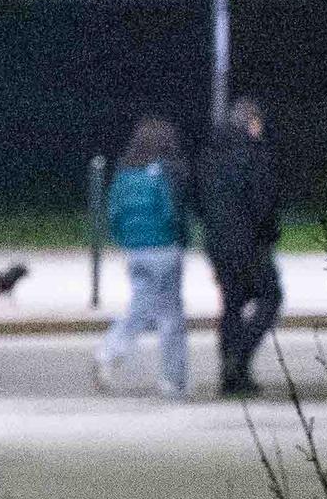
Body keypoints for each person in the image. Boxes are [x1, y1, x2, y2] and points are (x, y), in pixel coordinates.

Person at [95, 115, 193, 398]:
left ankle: (110, 350)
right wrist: (180, 236)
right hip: (163, 247)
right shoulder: (162, 172)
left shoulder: (125, 175)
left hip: (135, 250)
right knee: (171, 316)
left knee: (139, 306)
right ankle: (173, 379)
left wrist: (124, 238)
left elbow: (112, 212)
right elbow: (170, 211)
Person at [206, 96, 282, 400]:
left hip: (218, 243)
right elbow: (264, 202)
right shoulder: (254, 154)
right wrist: (268, 234)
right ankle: (239, 357)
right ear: (252, 123)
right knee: (271, 297)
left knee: (231, 305)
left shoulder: (210, 154)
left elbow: (200, 201)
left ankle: (231, 375)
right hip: (250, 242)